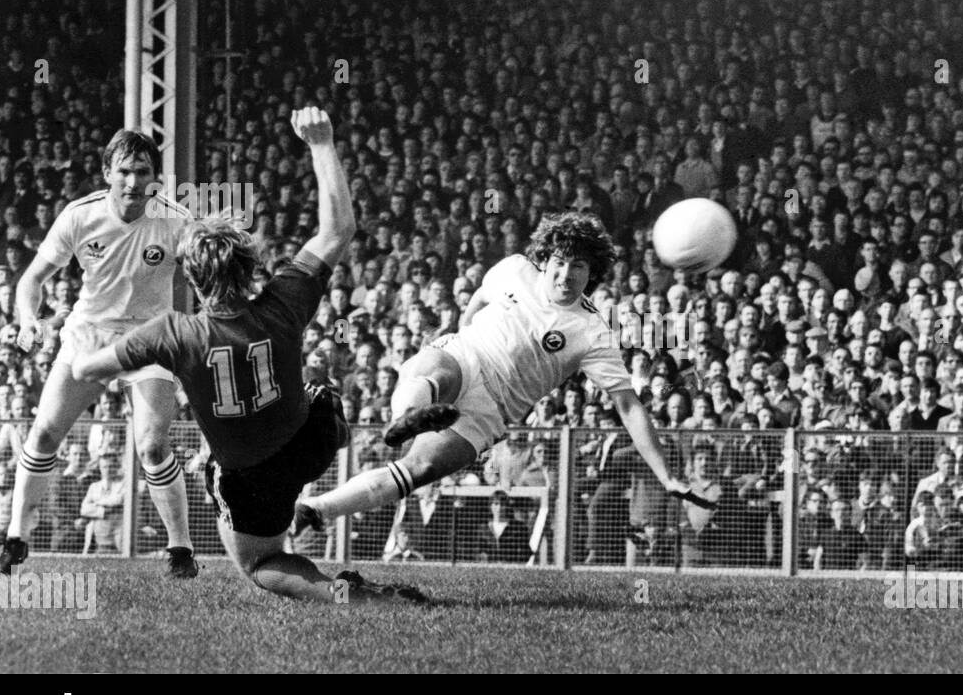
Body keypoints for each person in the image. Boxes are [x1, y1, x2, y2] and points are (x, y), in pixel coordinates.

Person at [74, 108, 418, 604]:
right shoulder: (283, 300)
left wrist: (83, 336)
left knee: (260, 564)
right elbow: (339, 228)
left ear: (190, 278)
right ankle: (336, 435)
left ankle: (344, 596)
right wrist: (321, 143)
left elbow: (88, 368)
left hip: (251, 474)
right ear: (251, 265)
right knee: (322, 394)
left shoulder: (173, 333)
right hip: (310, 441)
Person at [292, 211, 714, 545]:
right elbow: (474, 306)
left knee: (416, 469)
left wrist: (666, 475)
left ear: (593, 273)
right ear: (544, 260)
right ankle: (408, 417)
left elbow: (628, 406)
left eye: (578, 267)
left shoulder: (592, 331)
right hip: (469, 356)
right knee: (437, 372)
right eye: (559, 263)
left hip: (492, 410)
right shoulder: (514, 269)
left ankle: (316, 509)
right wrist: (460, 332)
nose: (565, 275)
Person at [0, 128, 197, 578]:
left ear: (155, 178)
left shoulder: (176, 220)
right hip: (88, 334)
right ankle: (15, 537)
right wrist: (30, 320)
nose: (132, 182)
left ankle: (180, 550)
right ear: (107, 172)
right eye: (123, 171)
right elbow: (31, 280)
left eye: (142, 172)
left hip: (148, 340)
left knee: (151, 444)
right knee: (46, 432)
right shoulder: (78, 215)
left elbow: (201, 277)